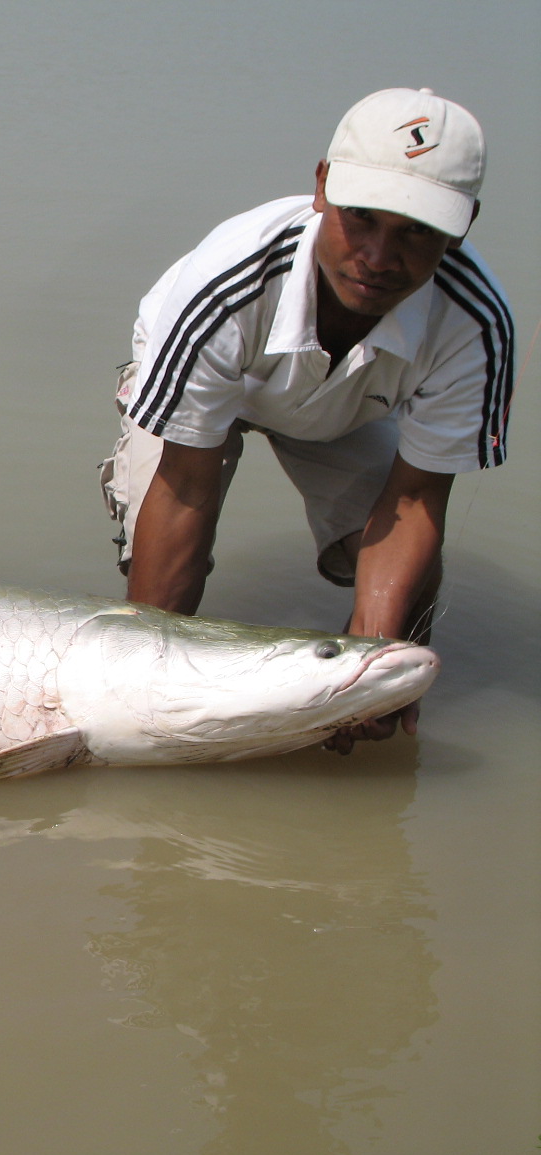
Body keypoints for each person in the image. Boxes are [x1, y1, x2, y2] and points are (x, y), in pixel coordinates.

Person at [100, 88, 513, 752]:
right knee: (161, 598)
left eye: (417, 230)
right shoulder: (222, 286)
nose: (380, 257)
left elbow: (413, 498)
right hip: (209, 386)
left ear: (464, 224)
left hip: (351, 407)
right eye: (364, 218)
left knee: (402, 622)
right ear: (322, 186)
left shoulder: (475, 323)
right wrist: (143, 695)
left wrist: (371, 671)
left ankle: (377, 723)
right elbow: (187, 488)